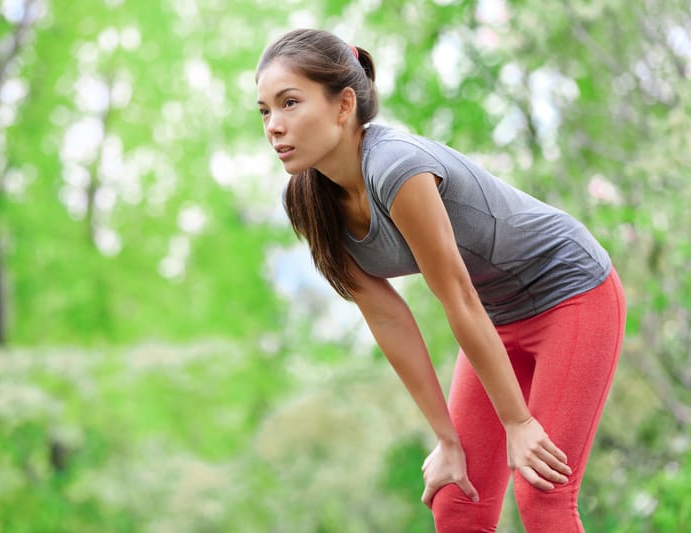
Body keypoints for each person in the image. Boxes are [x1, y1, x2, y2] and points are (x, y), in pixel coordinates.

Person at [255, 28, 626, 532]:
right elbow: (387, 318)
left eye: (290, 103)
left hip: (569, 292)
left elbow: (457, 294)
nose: (274, 126)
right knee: (457, 502)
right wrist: (447, 439)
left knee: (542, 493)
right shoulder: (309, 201)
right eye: (265, 111)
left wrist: (518, 423)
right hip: (496, 318)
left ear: (344, 105)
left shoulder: (395, 168)